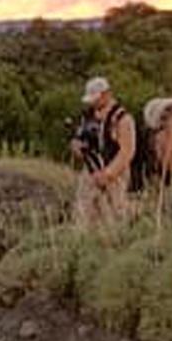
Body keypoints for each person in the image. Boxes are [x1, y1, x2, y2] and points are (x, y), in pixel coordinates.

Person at [72, 76, 135, 231]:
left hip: (114, 175)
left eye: (95, 98)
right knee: (83, 215)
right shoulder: (87, 117)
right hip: (90, 171)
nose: (92, 103)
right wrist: (77, 147)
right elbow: (80, 139)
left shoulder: (122, 119)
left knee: (113, 219)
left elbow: (127, 151)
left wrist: (108, 174)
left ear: (106, 94)